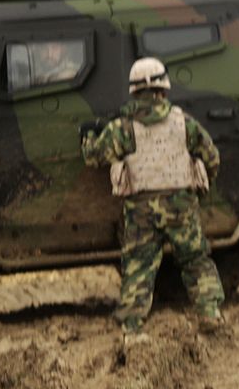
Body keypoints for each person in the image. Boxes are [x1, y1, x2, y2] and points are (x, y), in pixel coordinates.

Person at [80, 57, 225, 340]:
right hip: (181, 204)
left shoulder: (122, 127)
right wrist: (199, 189)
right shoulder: (184, 123)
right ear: (164, 88)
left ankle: (132, 326)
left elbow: (95, 157)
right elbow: (212, 158)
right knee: (195, 259)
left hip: (141, 209)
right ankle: (209, 312)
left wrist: (88, 137)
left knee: (139, 265)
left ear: (134, 91)